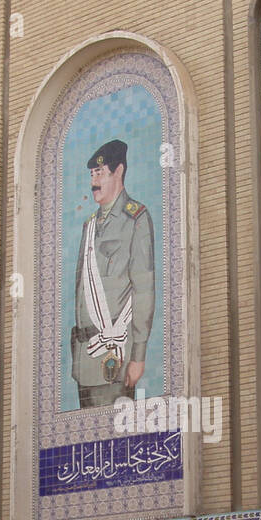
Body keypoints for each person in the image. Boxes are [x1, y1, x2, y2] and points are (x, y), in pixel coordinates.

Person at [71, 139, 156, 408]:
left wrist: (138, 356)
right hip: (85, 357)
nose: (93, 182)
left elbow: (143, 289)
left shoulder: (136, 218)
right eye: (92, 175)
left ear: (118, 172)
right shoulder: (89, 225)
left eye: (100, 173)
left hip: (115, 357)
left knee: (113, 444)